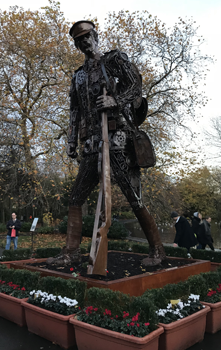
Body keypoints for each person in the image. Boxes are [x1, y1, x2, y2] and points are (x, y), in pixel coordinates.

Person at [48, 20, 166, 267]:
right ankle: (70, 252)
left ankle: (157, 250)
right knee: (75, 198)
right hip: (91, 144)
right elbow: (75, 111)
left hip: (118, 140)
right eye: (79, 40)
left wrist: (115, 100)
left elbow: (136, 86)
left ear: (96, 35)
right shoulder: (78, 76)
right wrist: (71, 140)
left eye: (87, 36)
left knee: (134, 198)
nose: (84, 42)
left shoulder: (114, 61)